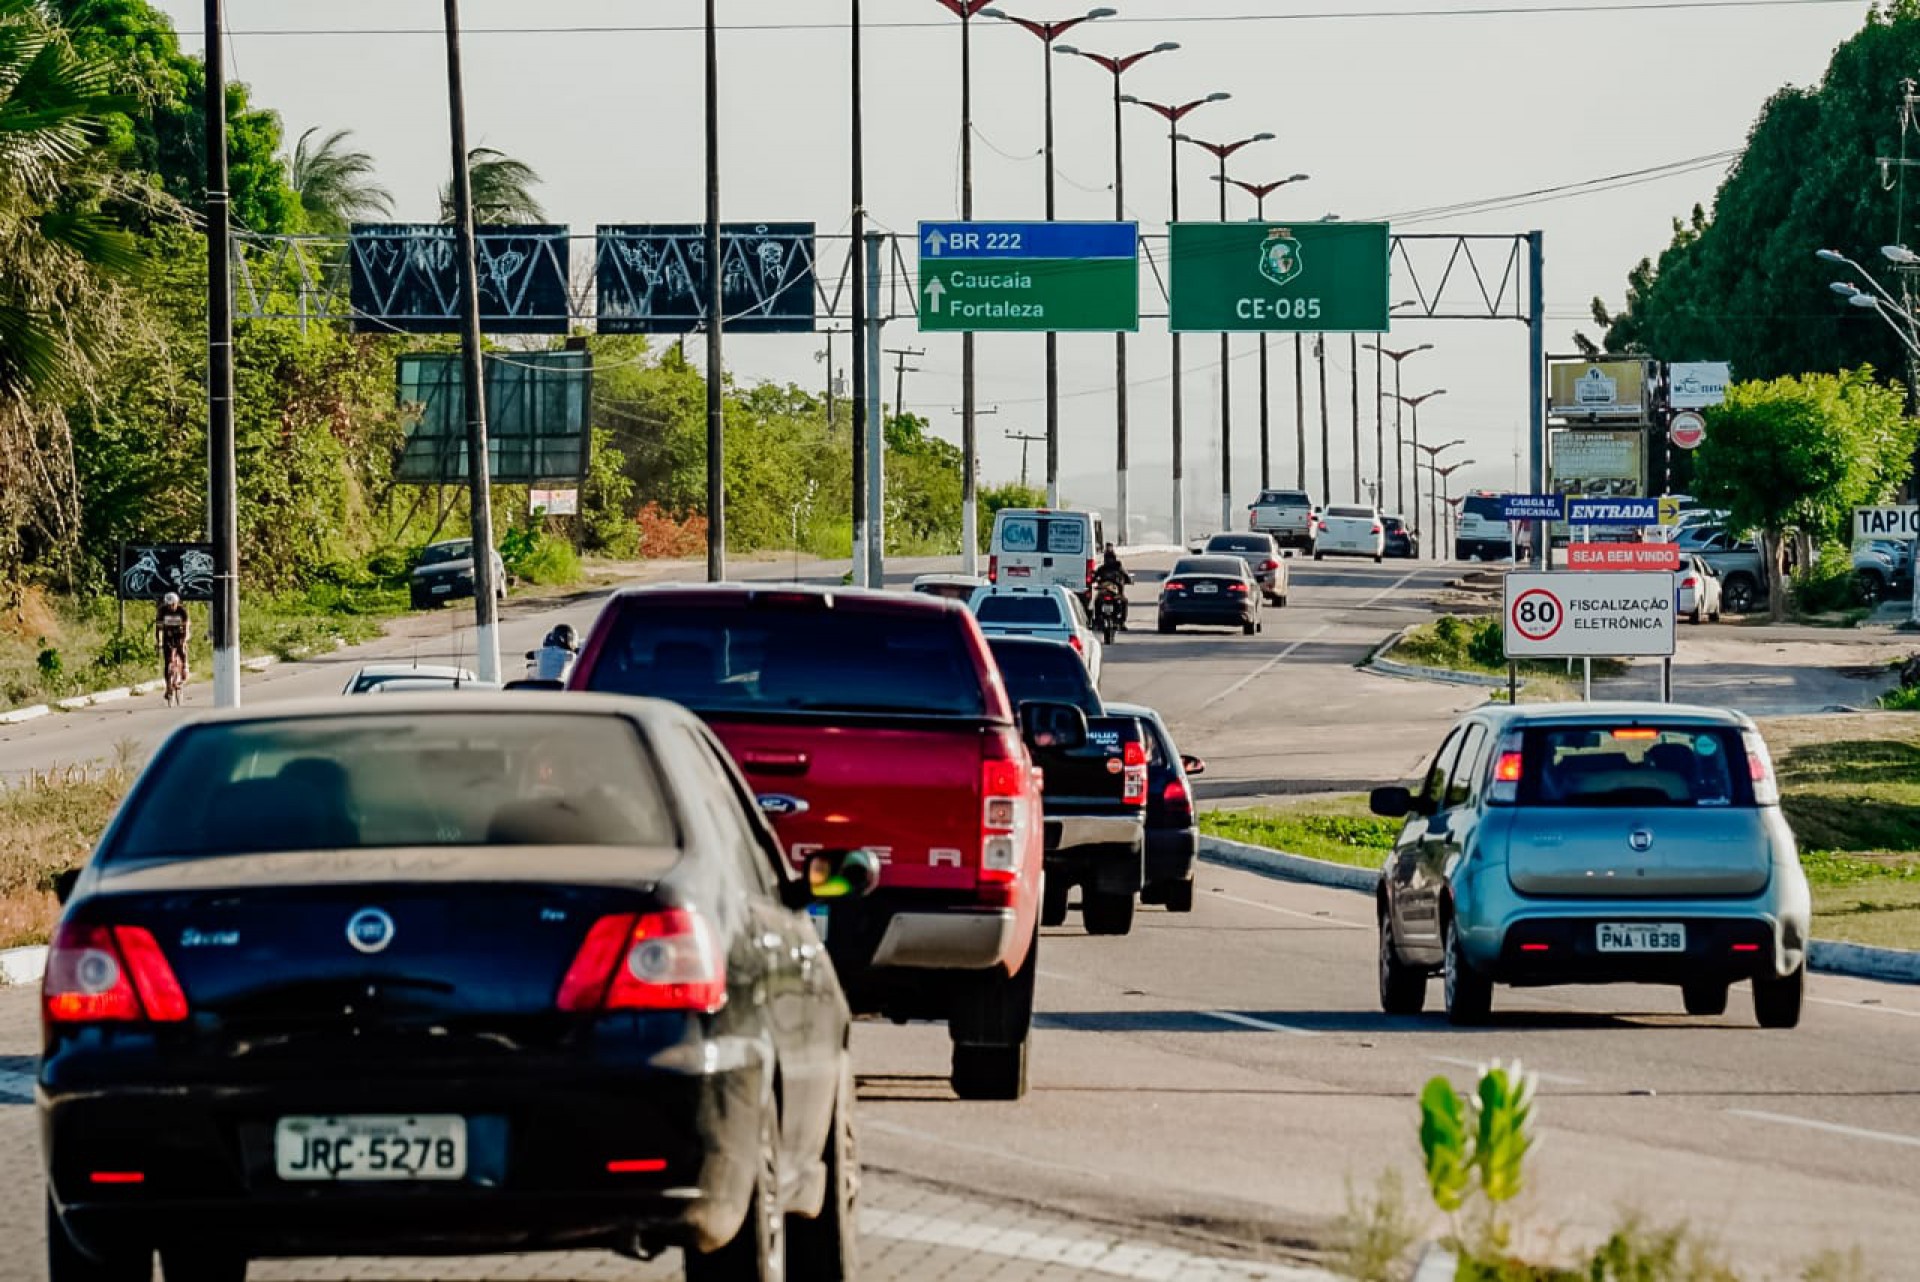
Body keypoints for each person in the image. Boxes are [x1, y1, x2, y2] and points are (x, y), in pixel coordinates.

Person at [154, 592, 190, 700]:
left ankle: (185, 666)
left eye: (173, 604)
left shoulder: (182, 611)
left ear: (176, 603)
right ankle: (168, 686)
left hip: (180, 634)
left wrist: (184, 639)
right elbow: (158, 629)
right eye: (169, 605)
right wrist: (158, 641)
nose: (171, 607)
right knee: (168, 660)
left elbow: (186, 627)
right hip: (168, 635)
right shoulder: (162, 611)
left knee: (181, 649)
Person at [1092, 544, 1132, 630]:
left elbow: (1094, 577)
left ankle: (1119, 622)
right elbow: (1094, 577)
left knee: (1123, 602)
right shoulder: (1108, 568)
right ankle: (1120, 622)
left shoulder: (1113, 568)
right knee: (1098, 601)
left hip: (1113, 593)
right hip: (1110, 593)